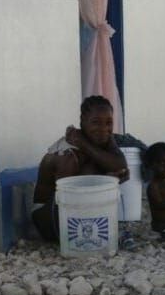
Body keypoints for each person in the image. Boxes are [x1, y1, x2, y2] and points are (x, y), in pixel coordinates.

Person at [32, 95, 128, 242]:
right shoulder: (67, 154)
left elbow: (121, 166)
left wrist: (86, 146)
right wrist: (106, 181)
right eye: (96, 122)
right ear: (82, 120)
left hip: (80, 217)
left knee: (96, 169)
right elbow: (68, 199)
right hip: (49, 218)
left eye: (109, 123)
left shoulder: (101, 138)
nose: (104, 129)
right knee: (91, 172)